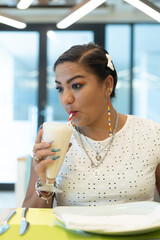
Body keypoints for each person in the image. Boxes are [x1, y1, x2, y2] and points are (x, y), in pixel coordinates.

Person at [23, 42, 160, 208]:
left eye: (76, 86)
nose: (66, 99)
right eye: (60, 88)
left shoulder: (151, 133)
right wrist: (45, 181)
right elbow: (29, 220)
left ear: (108, 85)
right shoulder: (52, 139)